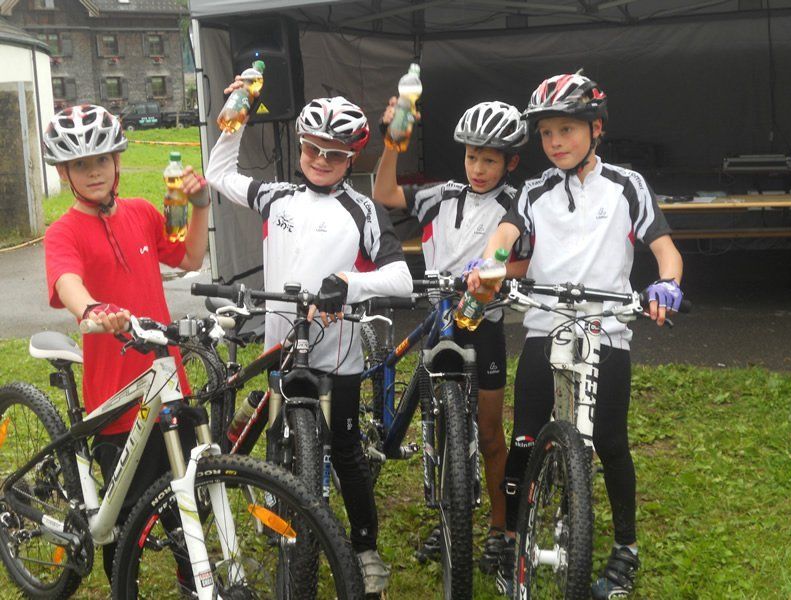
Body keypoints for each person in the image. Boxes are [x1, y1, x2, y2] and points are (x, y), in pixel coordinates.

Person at [466, 73, 684, 599]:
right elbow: (506, 234)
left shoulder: (626, 185)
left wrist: (668, 284)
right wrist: (491, 262)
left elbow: (665, 250)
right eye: (546, 133)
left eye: (567, 129)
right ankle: (512, 535)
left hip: (606, 330)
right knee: (525, 438)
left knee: (610, 442)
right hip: (544, 326)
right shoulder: (535, 190)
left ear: (596, 129)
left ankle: (626, 547)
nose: (556, 142)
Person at [205, 82, 413, 596]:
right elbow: (219, 174)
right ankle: (278, 498)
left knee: (344, 449)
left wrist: (349, 284)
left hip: (337, 354)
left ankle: (364, 547)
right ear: (300, 146)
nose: (321, 160)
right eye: (312, 148)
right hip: (281, 346)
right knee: (276, 433)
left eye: (334, 153)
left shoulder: (363, 209)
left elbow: (401, 278)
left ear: (351, 157)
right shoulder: (278, 196)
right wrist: (238, 115)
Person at [42, 103, 210, 586]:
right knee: (124, 522)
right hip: (117, 402)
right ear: (64, 173)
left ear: (117, 161)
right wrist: (92, 309)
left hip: (168, 383)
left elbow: (189, 257)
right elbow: (67, 281)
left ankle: (195, 584)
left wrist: (200, 207)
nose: (93, 172)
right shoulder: (63, 232)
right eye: (80, 164)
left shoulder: (141, 213)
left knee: (187, 502)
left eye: (102, 160)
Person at [372, 98, 531, 574]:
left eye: (489, 160)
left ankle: (501, 529)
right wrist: (392, 142)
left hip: (485, 326)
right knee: (442, 428)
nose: (478, 169)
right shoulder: (440, 195)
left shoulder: (518, 203)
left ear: (510, 163)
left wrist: (494, 273)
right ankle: (449, 519)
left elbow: (528, 262)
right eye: (471, 157)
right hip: (441, 320)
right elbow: (384, 192)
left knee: (489, 433)